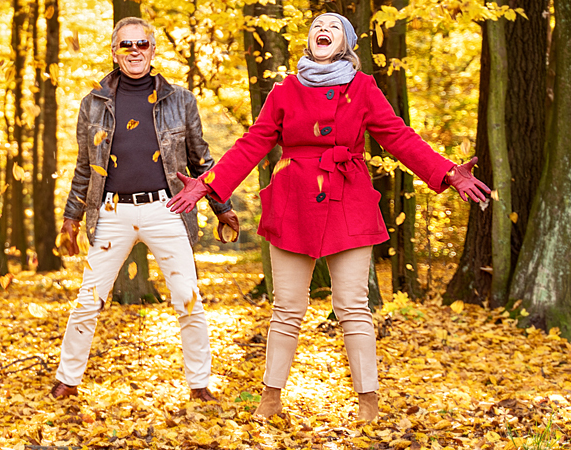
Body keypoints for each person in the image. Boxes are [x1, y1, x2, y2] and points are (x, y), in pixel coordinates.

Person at [167, 13, 490, 421]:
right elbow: (253, 142)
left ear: (346, 43)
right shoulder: (285, 89)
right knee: (286, 307)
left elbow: (398, 136)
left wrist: (445, 171)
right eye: (318, 25)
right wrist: (210, 183)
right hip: (293, 202)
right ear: (309, 40)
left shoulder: (363, 87)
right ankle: (271, 396)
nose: (324, 29)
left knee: (353, 306)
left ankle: (368, 402)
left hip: (347, 199)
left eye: (334, 27)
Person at [51, 17, 240, 403]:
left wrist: (223, 207)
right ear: (114, 51)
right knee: (88, 299)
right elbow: (85, 167)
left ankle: (200, 383)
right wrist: (71, 218)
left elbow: (200, 160)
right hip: (111, 213)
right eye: (126, 45)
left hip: (165, 208)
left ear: (153, 50)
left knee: (188, 297)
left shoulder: (180, 100)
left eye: (142, 44)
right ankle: (67, 379)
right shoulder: (94, 103)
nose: (134, 51)